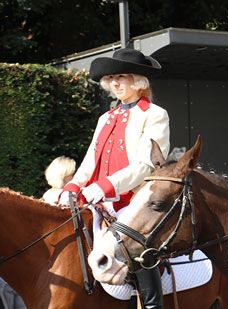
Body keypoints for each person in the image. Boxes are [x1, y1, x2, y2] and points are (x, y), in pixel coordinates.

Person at [59, 48, 170, 309]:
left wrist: (107, 185)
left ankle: (153, 305)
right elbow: (90, 159)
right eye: (111, 78)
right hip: (99, 200)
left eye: (121, 76)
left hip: (133, 202)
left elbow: (147, 163)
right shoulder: (106, 118)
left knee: (138, 248)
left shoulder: (155, 114)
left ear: (138, 80)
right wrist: (74, 185)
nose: (114, 83)